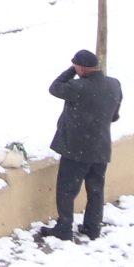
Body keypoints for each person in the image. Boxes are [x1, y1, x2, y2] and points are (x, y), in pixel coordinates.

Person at [44, 52, 124, 242]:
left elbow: (54, 88)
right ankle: (92, 228)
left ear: (80, 68)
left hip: (77, 148)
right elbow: (114, 115)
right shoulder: (114, 84)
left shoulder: (78, 86)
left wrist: (71, 71)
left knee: (67, 190)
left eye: (76, 66)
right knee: (95, 189)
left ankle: (64, 228)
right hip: (101, 147)